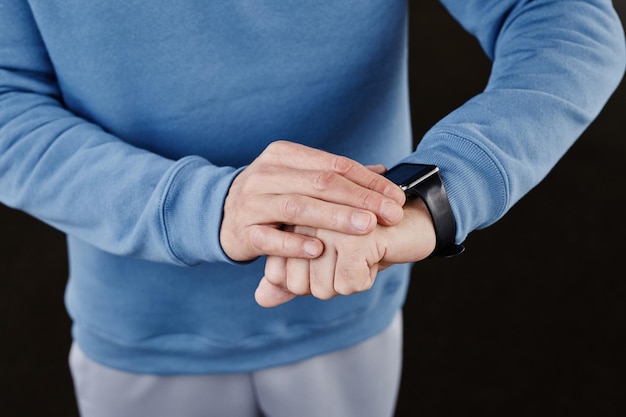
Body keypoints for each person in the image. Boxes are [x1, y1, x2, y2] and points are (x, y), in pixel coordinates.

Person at [1, 0, 624, 416]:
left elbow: (559, 15)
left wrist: (436, 192)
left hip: (352, 292)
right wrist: (207, 206)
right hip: (142, 329)